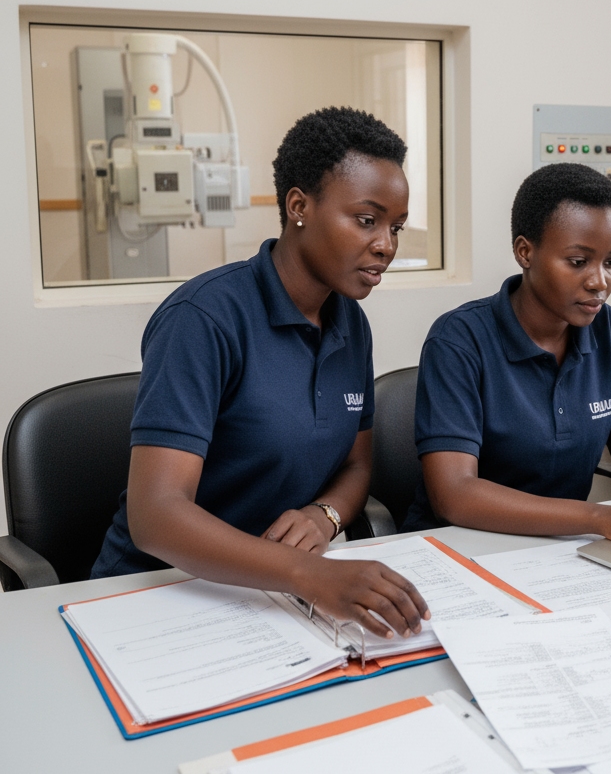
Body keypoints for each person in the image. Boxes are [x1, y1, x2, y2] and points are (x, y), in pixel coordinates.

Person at [91, 107, 428, 641]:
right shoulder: (203, 319)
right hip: (161, 593)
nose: (386, 244)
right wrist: (311, 573)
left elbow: (357, 466)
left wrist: (326, 517)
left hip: (272, 596)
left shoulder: (350, 322)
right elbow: (155, 515)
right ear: (299, 206)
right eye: (367, 220)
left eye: (396, 227)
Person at [402, 163, 611, 549]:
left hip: (559, 547)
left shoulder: (607, 329)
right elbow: (455, 495)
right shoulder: (459, 340)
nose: (599, 282)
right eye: (578, 262)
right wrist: (602, 517)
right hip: (462, 548)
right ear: (525, 252)